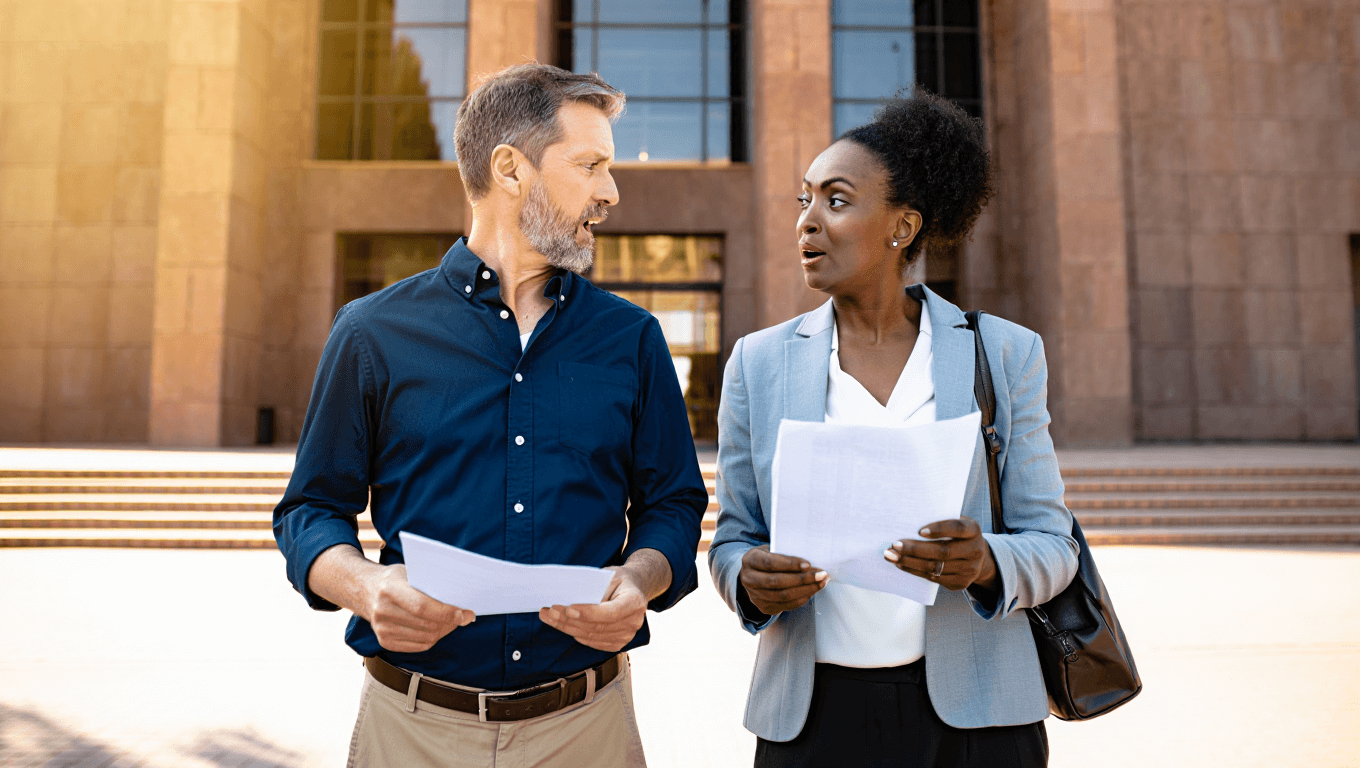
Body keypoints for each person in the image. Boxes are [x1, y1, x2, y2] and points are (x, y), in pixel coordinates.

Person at [274, 63, 707, 768]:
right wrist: (368, 586)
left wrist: (641, 579)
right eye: (591, 165)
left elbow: (675, 504)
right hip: (410, 730)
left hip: (587, 729)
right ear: (511, 168)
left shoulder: (631, 339)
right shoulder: (370, 333)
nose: (611, 192)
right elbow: (309, 510)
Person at [708, 90, 1080, 768]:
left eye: (837, 201)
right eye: (804, 200)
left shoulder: (1000, 353)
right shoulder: (757, 364)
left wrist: (987, 562)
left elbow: (1054, 546)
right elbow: (733, 538)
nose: (808, 223)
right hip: (814, 722)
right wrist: (748, 580)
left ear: (901, 226)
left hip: (977, 722)